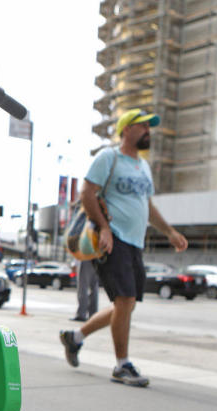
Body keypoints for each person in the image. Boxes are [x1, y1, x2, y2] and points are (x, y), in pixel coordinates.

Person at [59, 109, 188, 387]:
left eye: (149, 127)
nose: (148, 132)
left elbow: (147, 206)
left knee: (125, 305)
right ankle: (122, 366)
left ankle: (76, 337)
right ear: (126, 129)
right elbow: (86, 192)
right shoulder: (109, 157)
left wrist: (169, 231)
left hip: (134, 242)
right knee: (125, 300)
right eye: (143, 126)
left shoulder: (144, 167)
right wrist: (104, 227)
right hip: (112, 239)